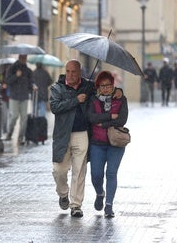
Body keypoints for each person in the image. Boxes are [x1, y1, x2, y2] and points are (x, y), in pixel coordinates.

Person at [49, 59, 122, 218]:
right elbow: (55, 107)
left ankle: (76, 205)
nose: (70, 75)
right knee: (59, 170)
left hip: (82, 133)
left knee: (79, 170)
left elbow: (105, 91)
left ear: (79, 72)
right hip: (63, 135)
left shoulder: (88, 87)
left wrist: (118, 92)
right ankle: (63, 193)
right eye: (68, 71)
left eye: (74, 71)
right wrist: (76, 100)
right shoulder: (57, 88)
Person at [87, 71, 128, 218]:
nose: (106, 88)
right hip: (97, 144)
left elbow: (122, 119)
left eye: (109, 85)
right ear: (98, 86)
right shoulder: (93, 100)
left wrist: (102, 123)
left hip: (116, 143)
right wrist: (110, 116)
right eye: (102, 85)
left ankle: (109, 205)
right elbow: (91, 117)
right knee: (96, 175)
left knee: (111, 173)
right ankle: (100, 193)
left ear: (113, 85)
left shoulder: (121, 99)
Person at [5, 54, 38, 145]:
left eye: (25, 58)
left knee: (24, 118)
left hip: (24, 96)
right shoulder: (12, 68)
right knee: (14, 116)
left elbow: (31, 81)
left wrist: (33, 86)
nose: (24, 59)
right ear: (19, 58)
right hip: (14, 96)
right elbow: (7, 81)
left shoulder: (28, 70)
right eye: (23, 58)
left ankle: (21, 137)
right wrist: (16, 75)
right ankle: (9, 133)